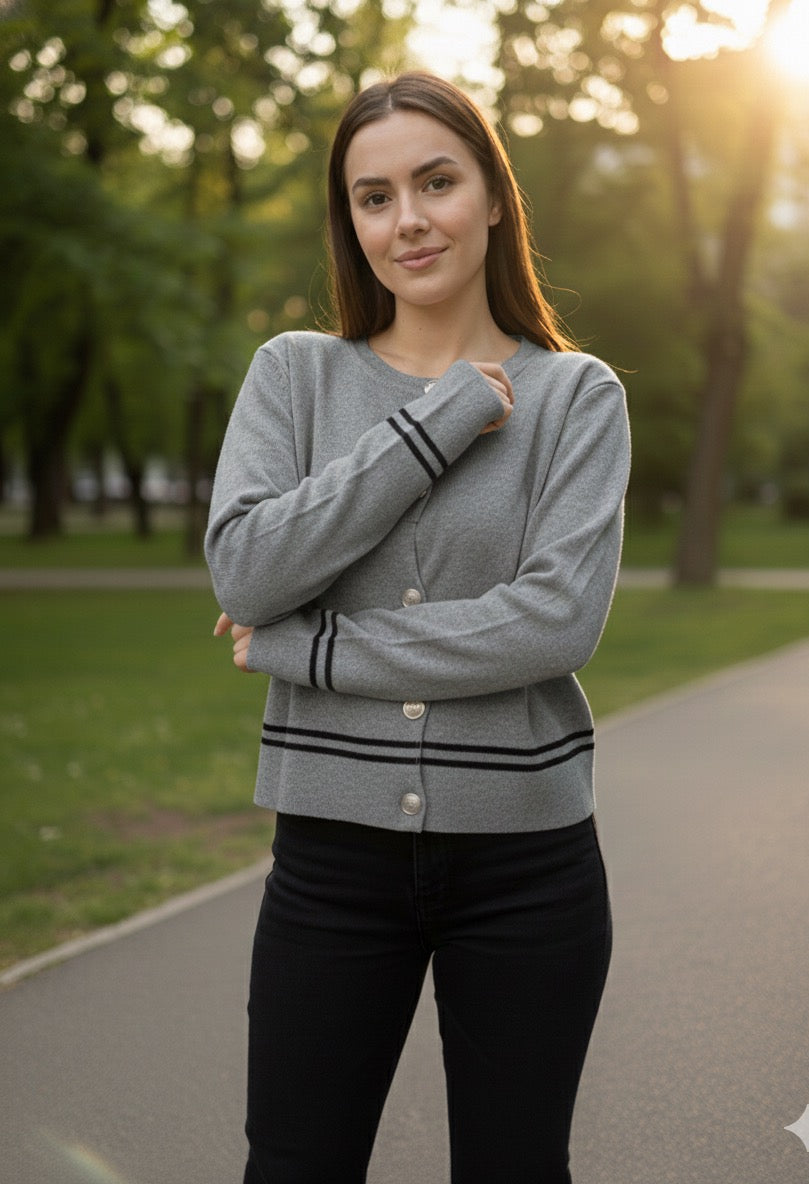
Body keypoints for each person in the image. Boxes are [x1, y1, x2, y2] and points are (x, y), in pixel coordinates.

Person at [206, 71, 630, 1184]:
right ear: (351, 221)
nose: (410, 219)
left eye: (437, 181)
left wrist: (313, 649)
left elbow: (551, 623)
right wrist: (434, 423)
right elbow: (247, 568)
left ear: (493, 195)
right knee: (293, 1164)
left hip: (529, 867)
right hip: (330, 864)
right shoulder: (293, 375)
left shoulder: (579, 398)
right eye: (374, 195)